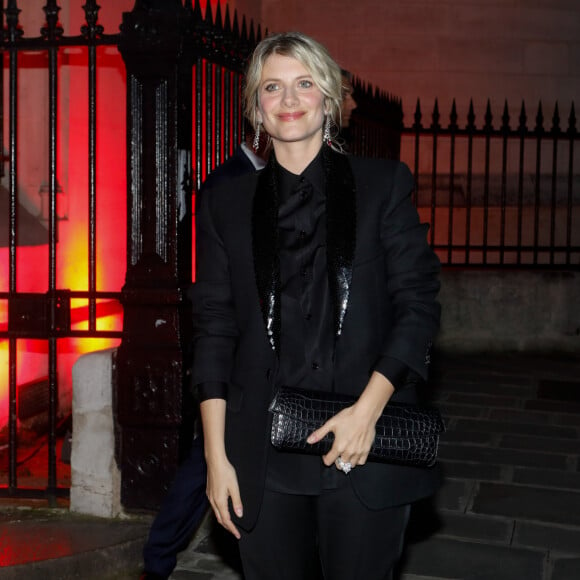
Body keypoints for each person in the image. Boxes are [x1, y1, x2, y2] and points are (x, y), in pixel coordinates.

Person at [191, 31, 441, 580]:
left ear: (328, 99)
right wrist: (216, 457)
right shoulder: (225, 203)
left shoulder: (383, 185)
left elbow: (418, 305)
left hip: (364, 440)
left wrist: (368, 410)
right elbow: (213, 329)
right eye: (272, 87)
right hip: (263, 453)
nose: (288, 100)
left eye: (304, 84)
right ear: (255, 106)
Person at [140, 133, 267, 580]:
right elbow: (219, 276)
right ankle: (157, 558)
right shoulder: (227, 181)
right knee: (205, 459)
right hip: (231, 348)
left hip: (262, 353)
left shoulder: (274, 177)